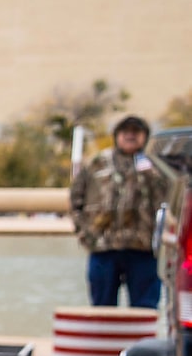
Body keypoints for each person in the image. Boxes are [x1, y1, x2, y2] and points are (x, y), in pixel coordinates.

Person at [69, 115, 180, 307]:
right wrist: (84, 233)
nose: (130, 136)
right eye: (125, 132)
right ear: (117, 135)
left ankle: (140, 338)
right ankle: (105, 337)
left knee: (145, 307)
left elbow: (171, 199)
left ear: (145, 136)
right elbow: (76, 198)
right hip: (103, 247)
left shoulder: (156, 166)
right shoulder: (97, 162)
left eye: (136, 132)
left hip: (142, 248)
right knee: (102, 307)